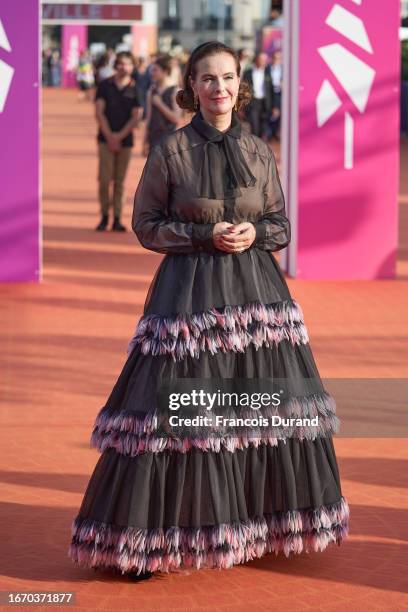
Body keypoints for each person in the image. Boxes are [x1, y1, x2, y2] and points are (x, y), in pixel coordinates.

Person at [68, 41, 350, 579]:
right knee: (175, 414)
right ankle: (152, 538)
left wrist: (255, 232)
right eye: (207, 79)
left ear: (239, 85)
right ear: (192, 87)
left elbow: (279, 223)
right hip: (190, 297)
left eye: (227, 78)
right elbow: (147, 225)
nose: (218, 88)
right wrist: (204, 234)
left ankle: (256, 523)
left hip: (256, 299)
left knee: (256, 414)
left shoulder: (259, 150)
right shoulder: (171, 151)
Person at [94, 51, 143, 232]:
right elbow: (99, 112)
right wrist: (110, 136)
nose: (124, 67)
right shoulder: (104, 86)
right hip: (104, 139)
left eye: (128, 64)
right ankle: (104, 216)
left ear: (132, 67)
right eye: (121, 63)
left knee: (120, 182)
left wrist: (119, 136)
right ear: (116, 65)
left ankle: (117, 218)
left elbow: (136, 117)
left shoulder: (136, 88)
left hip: (126, 141)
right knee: (104, 180)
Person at [143, 55, 182, 156]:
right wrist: (145, 140)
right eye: (152, 70)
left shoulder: (175, 91)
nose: (152, 73)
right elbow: (149, 117)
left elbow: (176, 119)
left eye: (155, 70)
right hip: (153, 138)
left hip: (169, 140)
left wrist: (160, 104)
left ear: (165, 71)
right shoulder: (151, 91)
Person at [242, 51, 275, 139]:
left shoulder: (268, 73)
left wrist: (274, 106)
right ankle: (255, 148)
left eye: (265, 60)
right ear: (256, 60)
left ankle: (260, 146)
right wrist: (242, 106)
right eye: (261, 60)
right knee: (254, 126)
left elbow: (271, 90)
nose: (264, 62)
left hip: (265, 103)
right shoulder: (248, 73)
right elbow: (243, 89)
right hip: (253, 103)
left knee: (263, 128)